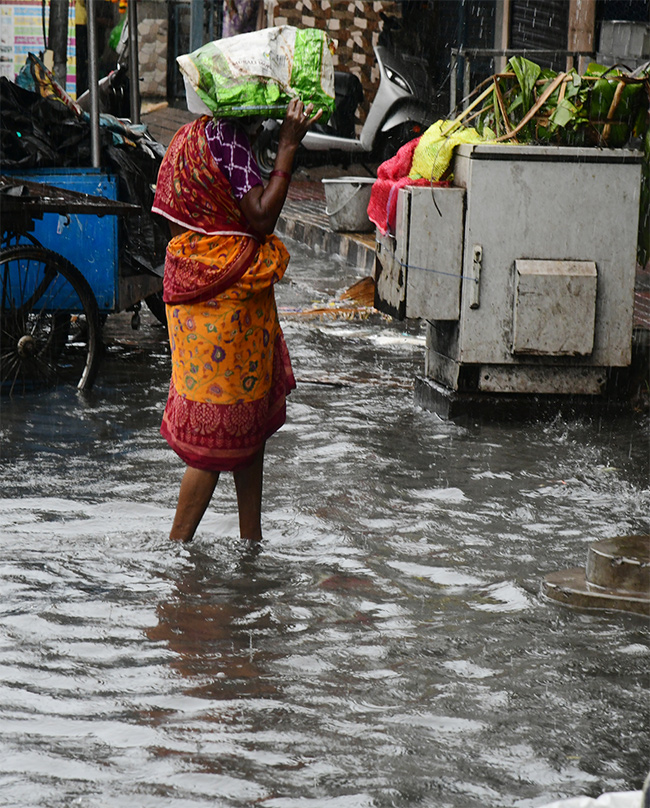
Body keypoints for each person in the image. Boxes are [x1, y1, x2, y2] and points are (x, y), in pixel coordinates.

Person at [152, 97, 322, 544]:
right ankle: (176, 551)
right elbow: (263, 217)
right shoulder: (227, 141)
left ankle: (252, 541)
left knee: (248, 425)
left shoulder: (188, 137)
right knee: (216, 437)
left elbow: (176, 218)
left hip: (195, 292)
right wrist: (287, 146)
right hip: (225, 304)